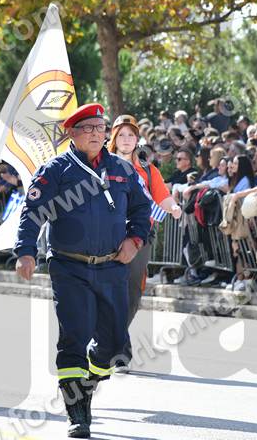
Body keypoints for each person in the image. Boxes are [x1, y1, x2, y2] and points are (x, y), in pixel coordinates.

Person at [14, 104, 153, 438]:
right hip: (69, 267)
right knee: (74, 336)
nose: (95, 133)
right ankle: (77, 411)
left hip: (112, 267)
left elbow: (141, 208)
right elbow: (32, 211)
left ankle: (88, 381)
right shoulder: (57, 170)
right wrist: (26, 252)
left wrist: (135, 239)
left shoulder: (120, 168)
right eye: (88, 128)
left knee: (114, 344)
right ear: (72, 133)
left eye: (100, 127)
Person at [107, 114, 181, 373]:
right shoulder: (102, 166)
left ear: (137, 139)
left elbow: (162, 197)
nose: (126, 139)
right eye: (121, 135)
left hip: (140, 235)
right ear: (114, 138)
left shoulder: (148, 170)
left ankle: (111, 343)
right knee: (107, 291)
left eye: (131, 135)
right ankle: (116, 351)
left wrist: (173, 207)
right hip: (107, 234)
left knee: (132, 294)